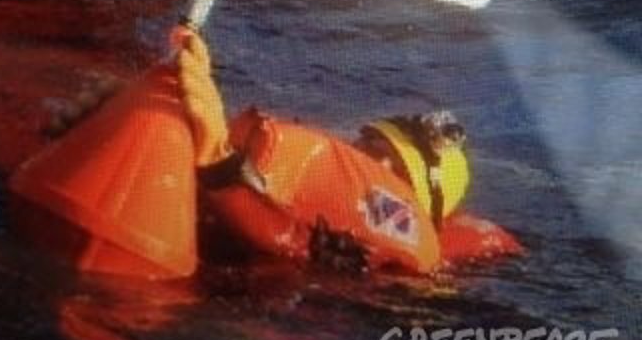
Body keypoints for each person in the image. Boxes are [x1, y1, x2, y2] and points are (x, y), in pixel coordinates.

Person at [176, 30, 521, 275]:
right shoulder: (309, 172)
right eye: (373, 146)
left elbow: (294, 244)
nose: (378, 163)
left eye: (399, 172)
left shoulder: (390, 258)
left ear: (417, 212)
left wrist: (215, 158)